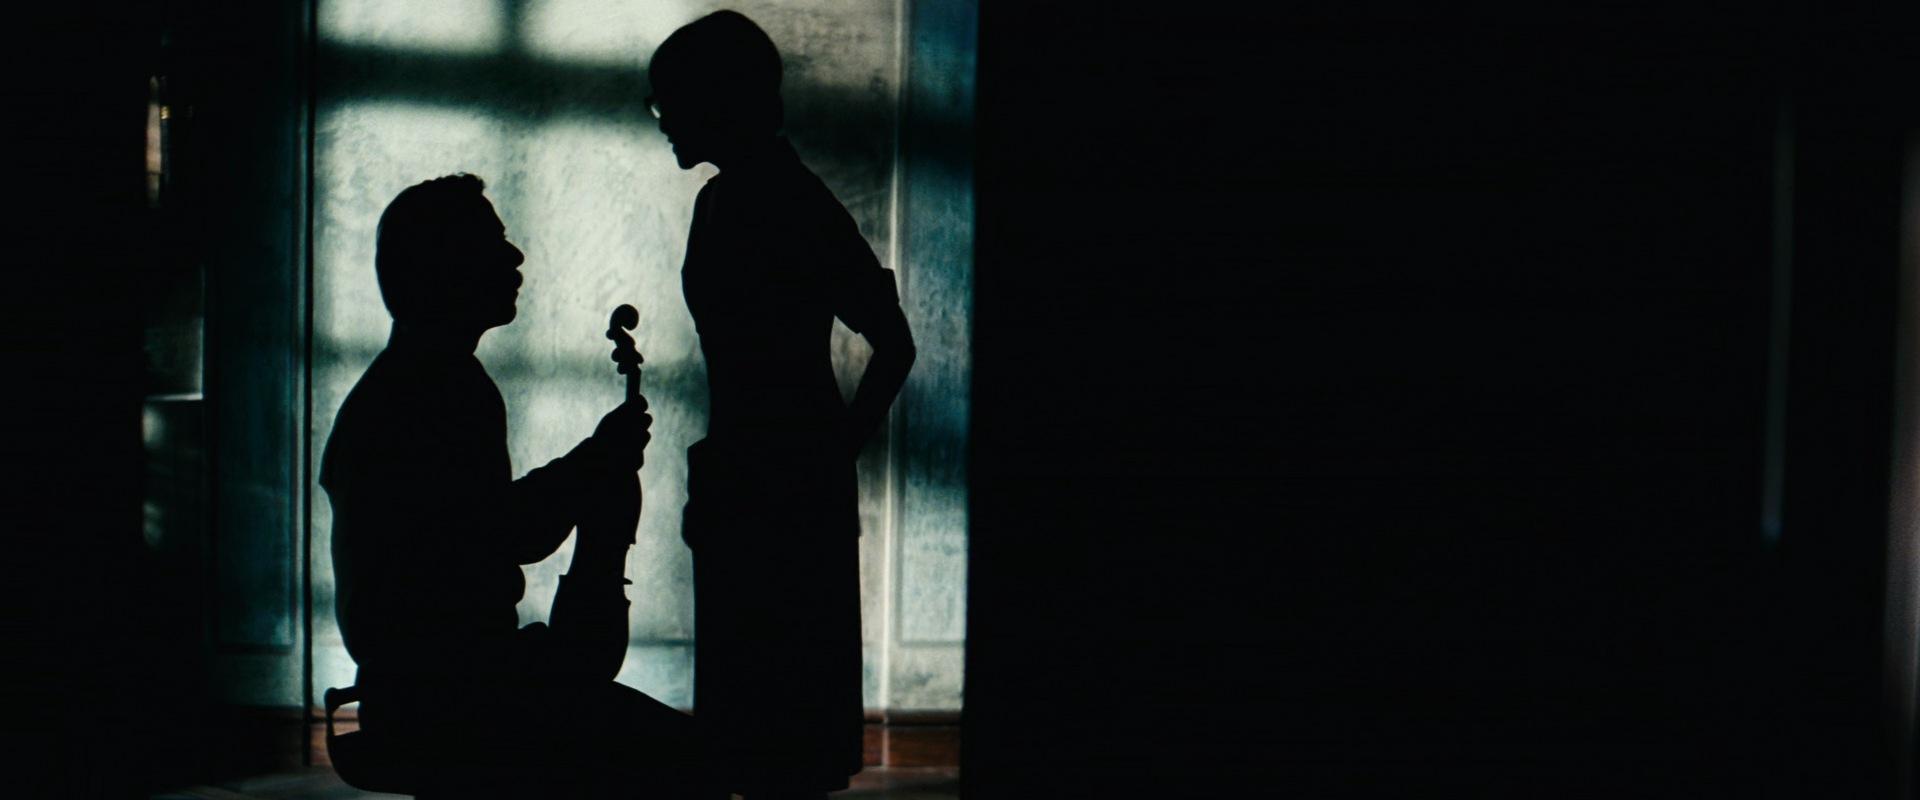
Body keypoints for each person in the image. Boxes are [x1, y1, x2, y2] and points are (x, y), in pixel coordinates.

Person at [319, 174, 706, 798]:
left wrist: (592, 463)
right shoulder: (432, 393)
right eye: (492, 242)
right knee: (690, 764)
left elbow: (481, 526)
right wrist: (594, 463)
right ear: (446, 268)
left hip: (436, 687)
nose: (515, 256)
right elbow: (507, 532)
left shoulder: (425, 381)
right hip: (447, 700)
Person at [647, 11, 917, 799]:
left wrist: (824, 459)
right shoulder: (735, 198)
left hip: (778, 484)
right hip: (754, 477)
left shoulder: (789, 201)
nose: (661, 119)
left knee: (775, 729)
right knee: (763, 726)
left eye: (668, 101)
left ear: (714, 100)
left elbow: (895, 343)